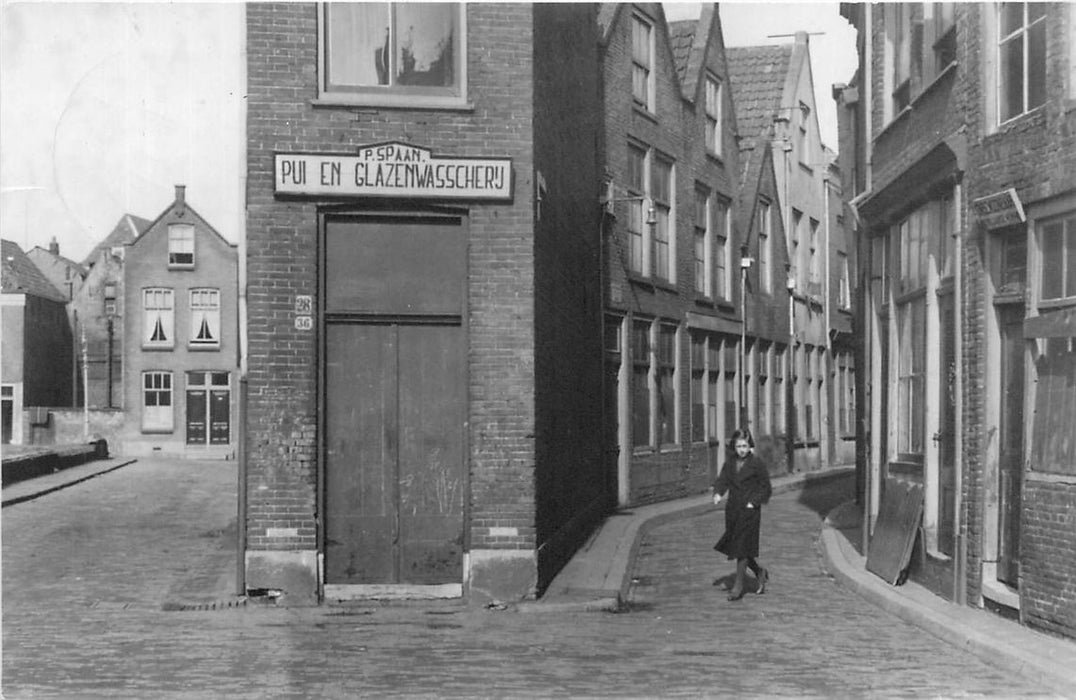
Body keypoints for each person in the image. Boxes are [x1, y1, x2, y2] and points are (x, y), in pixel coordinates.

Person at [712, 429, 772, 601]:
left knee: (742, 547)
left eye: (745, 446)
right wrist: (718, 493)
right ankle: (759, 572)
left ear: (750, 446)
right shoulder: (730, 463)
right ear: (734, 447)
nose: (742, 449)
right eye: (738, 446)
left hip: (750, 512)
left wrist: (754, 502)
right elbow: (723, 480)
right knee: (739, 547)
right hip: (733, 510)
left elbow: (765, 487)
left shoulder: (756, 464)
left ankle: (738, 586)